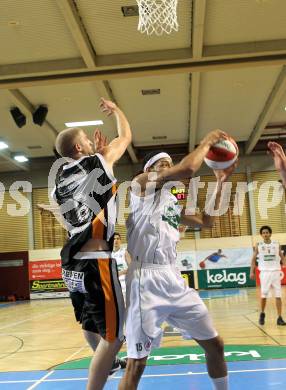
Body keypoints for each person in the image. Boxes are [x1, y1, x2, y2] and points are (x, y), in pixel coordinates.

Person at [119, 129, 236, 390]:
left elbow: (207, 222)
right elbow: (187, 170)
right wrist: (207, 142)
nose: (169, 168)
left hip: (172, 279)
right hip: (144, 281)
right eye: (163, 164)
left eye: (170, 164)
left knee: (215, 345)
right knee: (136, 365)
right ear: (150, 169)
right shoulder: (141, 185)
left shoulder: (171, 202)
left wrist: (220, 181)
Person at [53, 98, 131, 390]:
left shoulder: (58, 181)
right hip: (95, 258)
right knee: (115, 336)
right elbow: (126, 138)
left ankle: (109, 364)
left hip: (70, 258)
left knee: (88, 322)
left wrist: (97, 156)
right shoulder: (97, 161)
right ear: (78, 149)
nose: (90, 141)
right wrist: (117, 111)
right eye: (85, 139)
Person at [250, 225, 286, 326]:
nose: (265, 234)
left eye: (267, 232)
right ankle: (262, 313)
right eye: (263, 233)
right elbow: (253, 259)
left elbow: (282, 257)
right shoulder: (259, 245)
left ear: (270, 233)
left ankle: (279, 318)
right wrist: (251, 271)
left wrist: (284, 264)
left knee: (278, 295)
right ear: (261, 235)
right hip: (265, 272)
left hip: (275, 272)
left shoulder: (276, 244)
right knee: (264, 295)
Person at [112, 232, 131, 297]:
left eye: (118, 239)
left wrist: (120, 273)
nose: (116, 241)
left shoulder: (125, 252)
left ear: (121, 241)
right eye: (114, 239)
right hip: (113, 282)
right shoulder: (109, 254)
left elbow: (132, 268)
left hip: (123, 281)